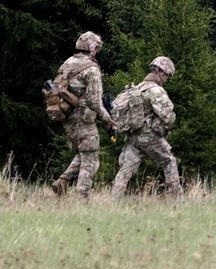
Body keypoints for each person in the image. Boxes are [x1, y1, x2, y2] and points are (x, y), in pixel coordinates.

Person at [49, 31, 115, 197]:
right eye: (97, 48)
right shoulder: (92, 69)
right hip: (83, 119)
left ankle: (62, 182)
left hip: (67, 117)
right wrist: (108, 120)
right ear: (93, 48)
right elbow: (95, 101)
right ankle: (82, 196)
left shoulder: (67, 64)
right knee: (91, 158)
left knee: (83, 152)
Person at [111, 56, 182, 197]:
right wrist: (165, 126)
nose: (167, 78)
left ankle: (114, 199)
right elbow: (168, 115)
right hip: (148, 135)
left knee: (126, 169)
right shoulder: (156, 90)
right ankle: (177, 200)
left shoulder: (138, 87)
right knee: (169, 161)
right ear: (161, 72)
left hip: (133, 134)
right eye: (167, 75)